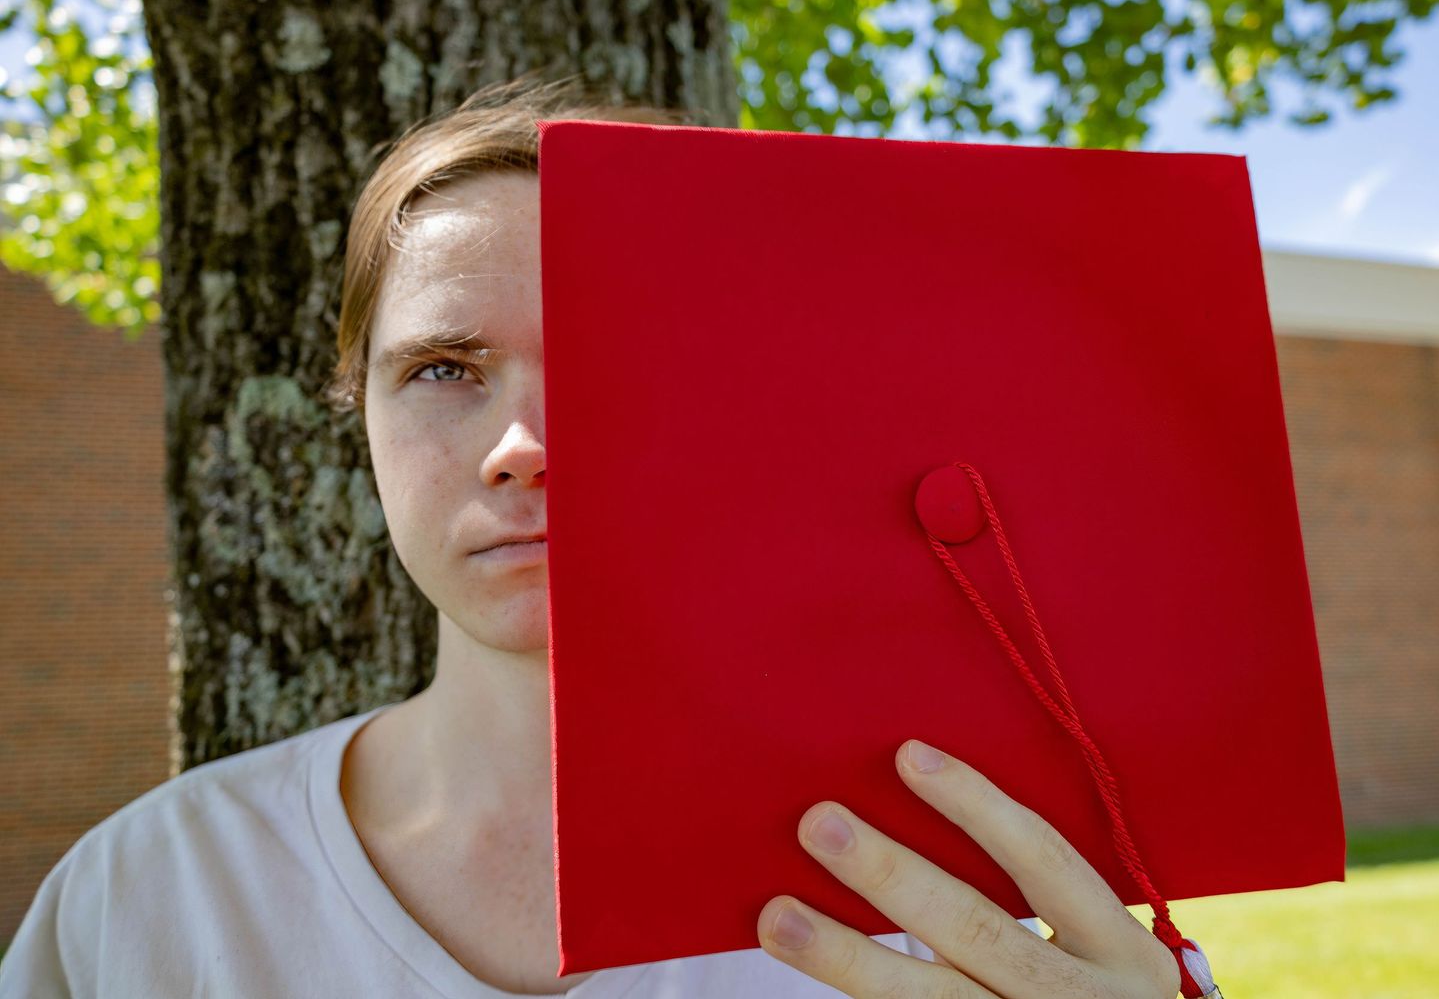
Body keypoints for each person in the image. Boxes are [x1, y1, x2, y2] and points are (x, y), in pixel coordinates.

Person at [0, 73, 1181, 998]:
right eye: (446, 368)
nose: (520, 442)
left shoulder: (969, 884)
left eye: (613, 360)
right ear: (355, 407)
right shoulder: (143, 893)